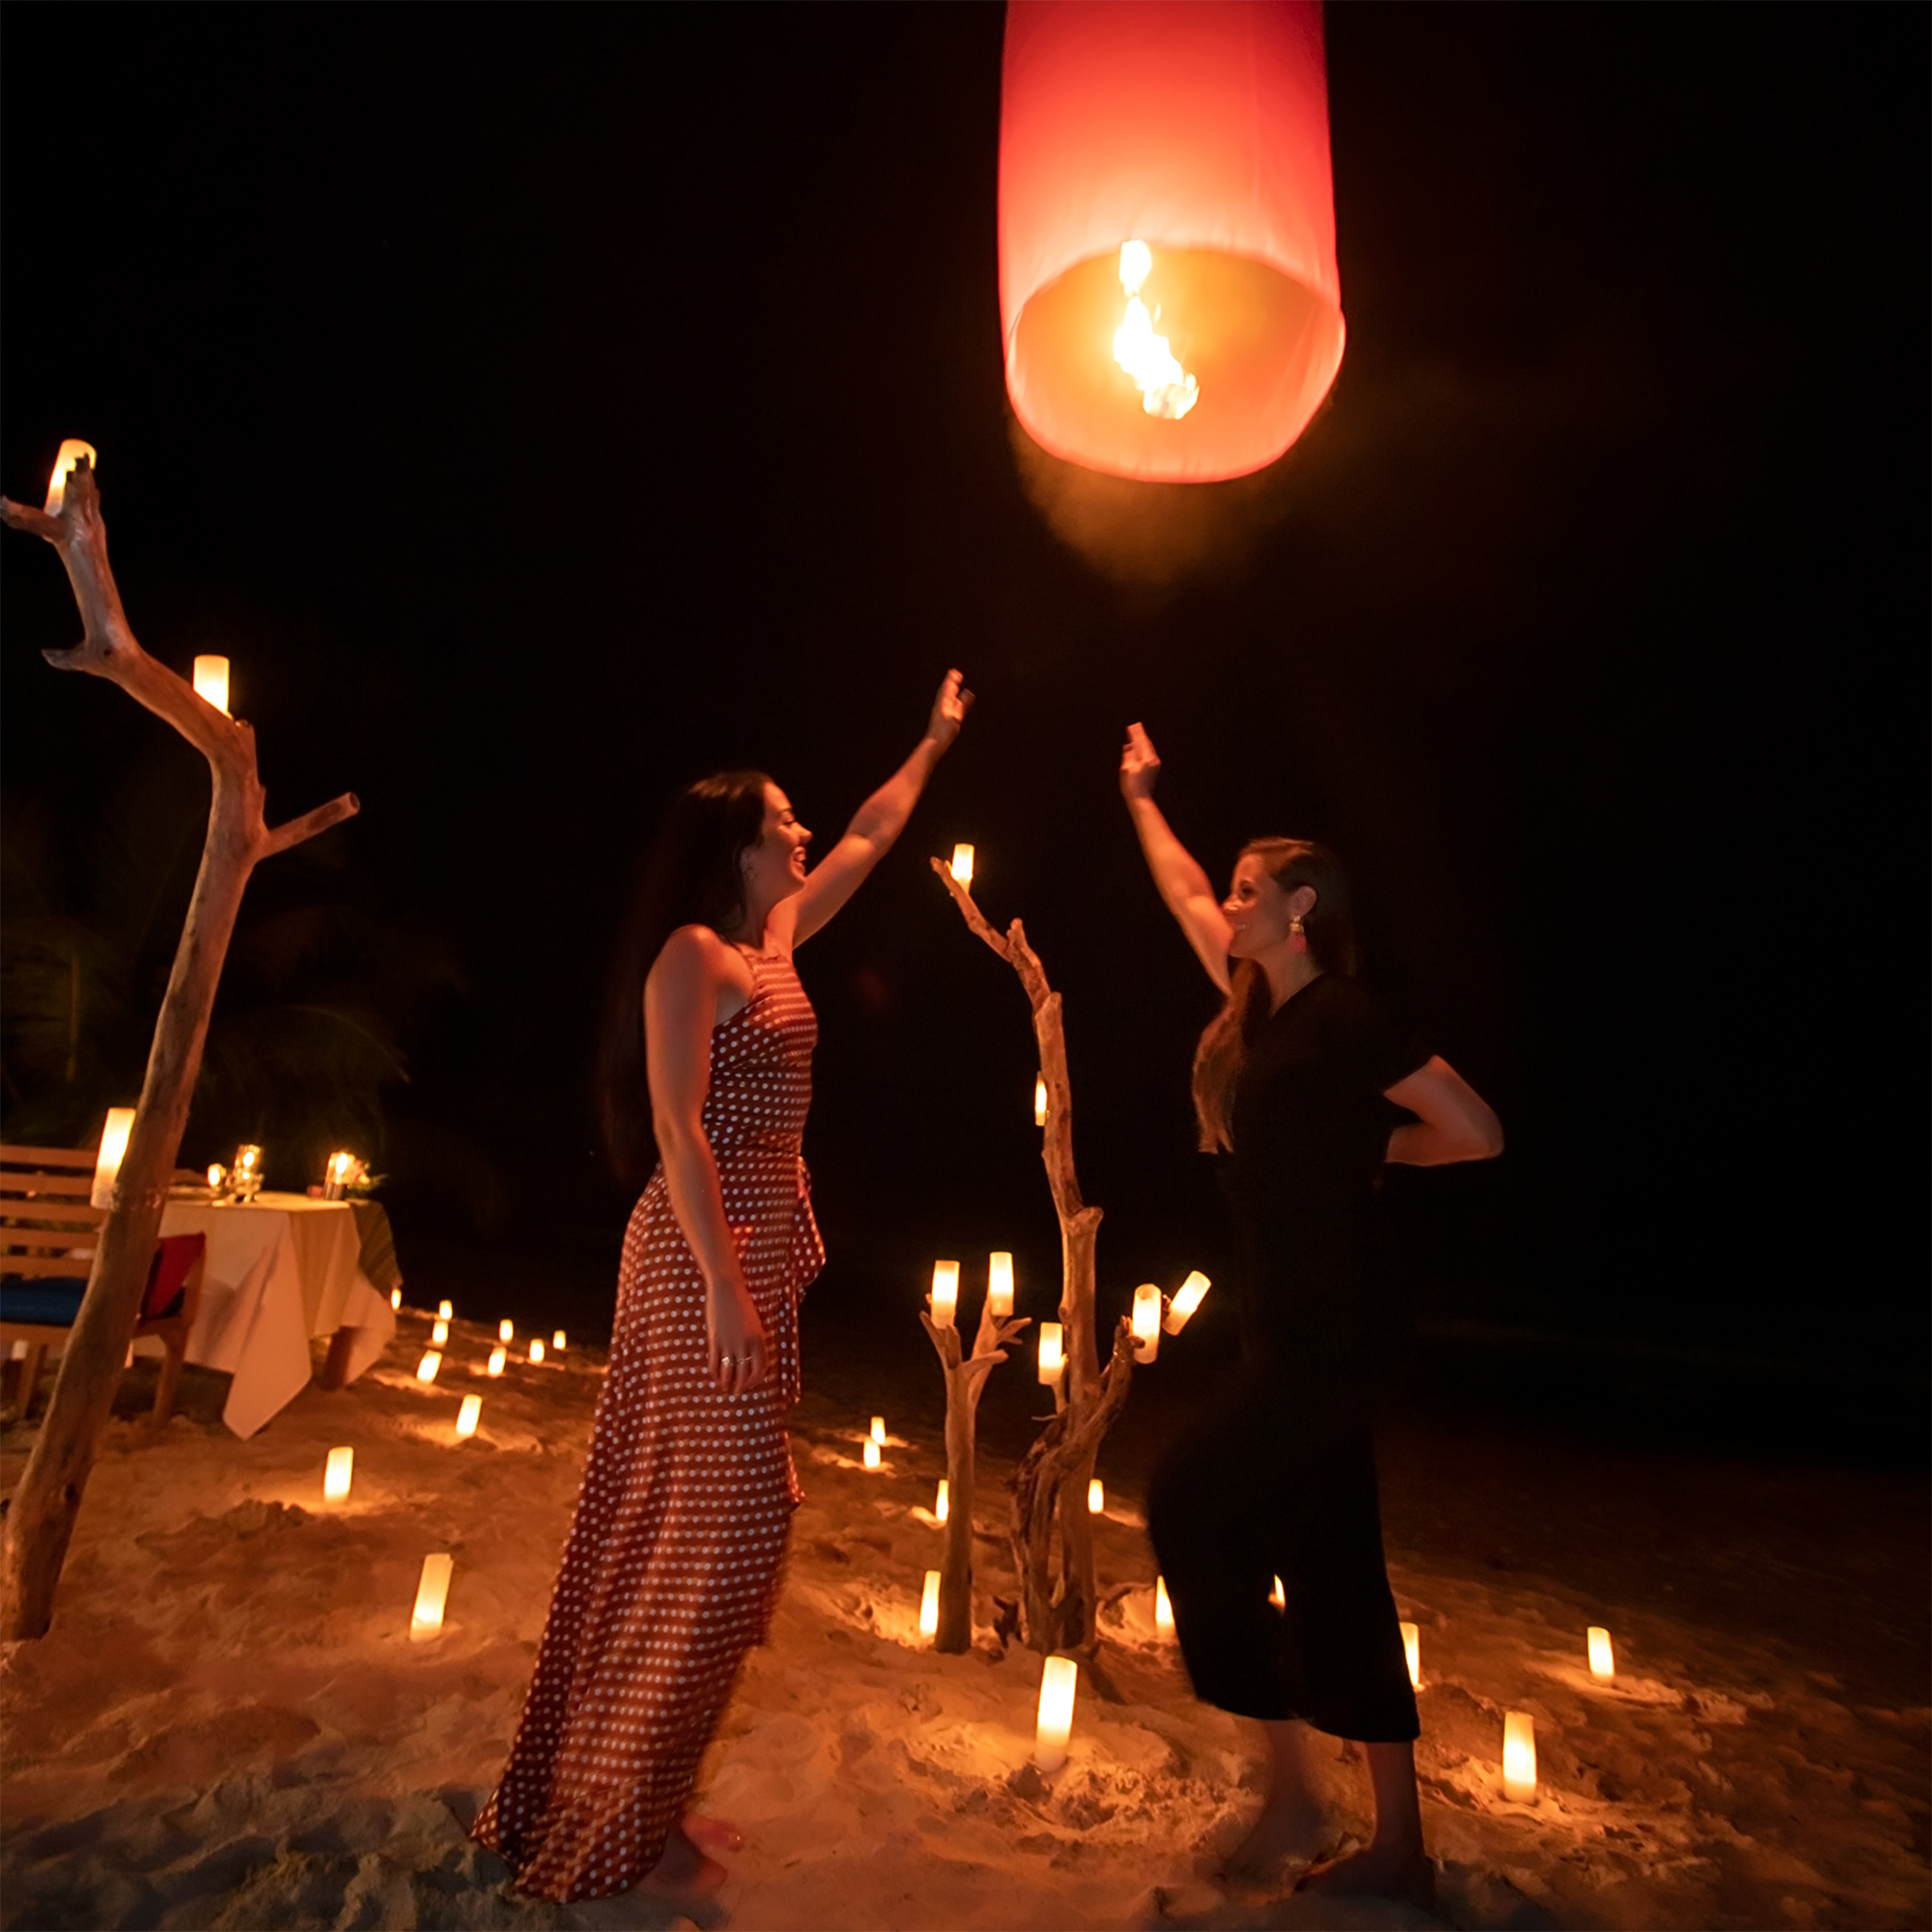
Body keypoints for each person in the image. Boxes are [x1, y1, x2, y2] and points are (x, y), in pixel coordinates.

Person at [473, 670, 972, 1905]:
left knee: (704, 1537)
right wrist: (723, 1287)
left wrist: (931, 741)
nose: (805, 832)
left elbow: (872, 836)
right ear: (736, 851)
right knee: (721, 1532)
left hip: (754, 1255)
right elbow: (678, 1128)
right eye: (783, 821)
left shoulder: (776, 939)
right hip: (700, 1259)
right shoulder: (694, 958)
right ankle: (618, 1813)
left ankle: (644, 1792)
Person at [1118, 720, 1501, 1906]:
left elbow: (1476, 1130)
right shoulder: (1257, 1013)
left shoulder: (1342, 1016)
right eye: (1232, 889)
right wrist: (1141, 797)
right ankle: (1397, 1848)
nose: (1228, 904)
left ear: (1300, 910)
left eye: (1250, 891)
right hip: (1287, 1330)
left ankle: (1292, 1789)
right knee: (1333, 1560)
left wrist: (1371, 1148)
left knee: (1188, 1500)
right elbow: (1182, 892)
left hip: (1342, 1332)